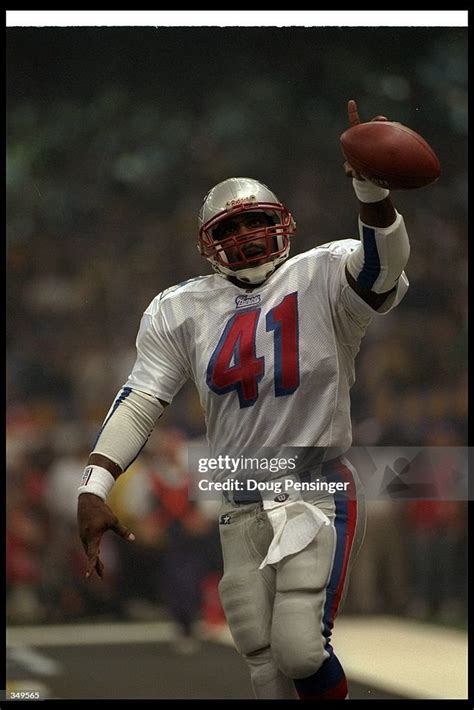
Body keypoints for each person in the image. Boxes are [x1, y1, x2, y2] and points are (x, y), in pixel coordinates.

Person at [77, 99, 410, 700]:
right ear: (208, 243)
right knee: (261, 659)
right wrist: (93, 486)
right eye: (228, 229)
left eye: (254, 220)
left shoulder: (324, 273)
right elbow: (142, 398)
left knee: (301, 649)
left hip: (315, 487)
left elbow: (383, 269)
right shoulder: (179, 307)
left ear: (283, 220)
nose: (245, 235)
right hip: (238, 495)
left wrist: (371, 193)